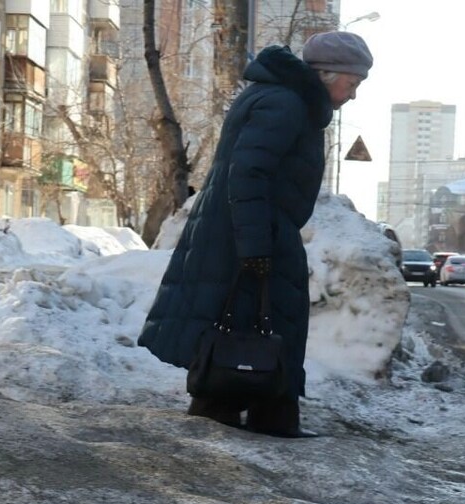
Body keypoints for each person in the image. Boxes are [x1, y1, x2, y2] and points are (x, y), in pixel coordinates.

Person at [138, 31, 373, 438]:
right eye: (350, 84)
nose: (351, 95)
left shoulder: (283, 97)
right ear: (325, 74)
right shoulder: (285, 104)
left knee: (253, 322)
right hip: (252, 231)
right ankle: (255, 416)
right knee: (257, 322)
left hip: (254, 229)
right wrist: (255, 246)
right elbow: (247, 174)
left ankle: (248, 412)